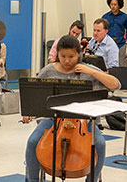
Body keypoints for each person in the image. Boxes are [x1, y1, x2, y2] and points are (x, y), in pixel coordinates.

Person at [23, 35, 120, 182]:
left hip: (85, 120)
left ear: (79, 54)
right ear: (57, 54)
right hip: (54, 119)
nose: (67, 61)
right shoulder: (49, 70)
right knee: (32, 142)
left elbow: (116, 85)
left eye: (71, 56)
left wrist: (93, 72)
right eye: (63, 56)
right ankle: (32, 180)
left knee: (99, 144)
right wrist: (29, 111)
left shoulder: (88, 69)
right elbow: (35, 93)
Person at [102, 0, 127, 67]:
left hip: (121, 44)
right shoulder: (105, 17)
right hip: (108, 43)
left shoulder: (125, 17)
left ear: (119, 5)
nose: (113, 6)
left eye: (115, 5)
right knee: (109, 62)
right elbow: (102, 30)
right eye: (111, 4)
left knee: (121, 63)